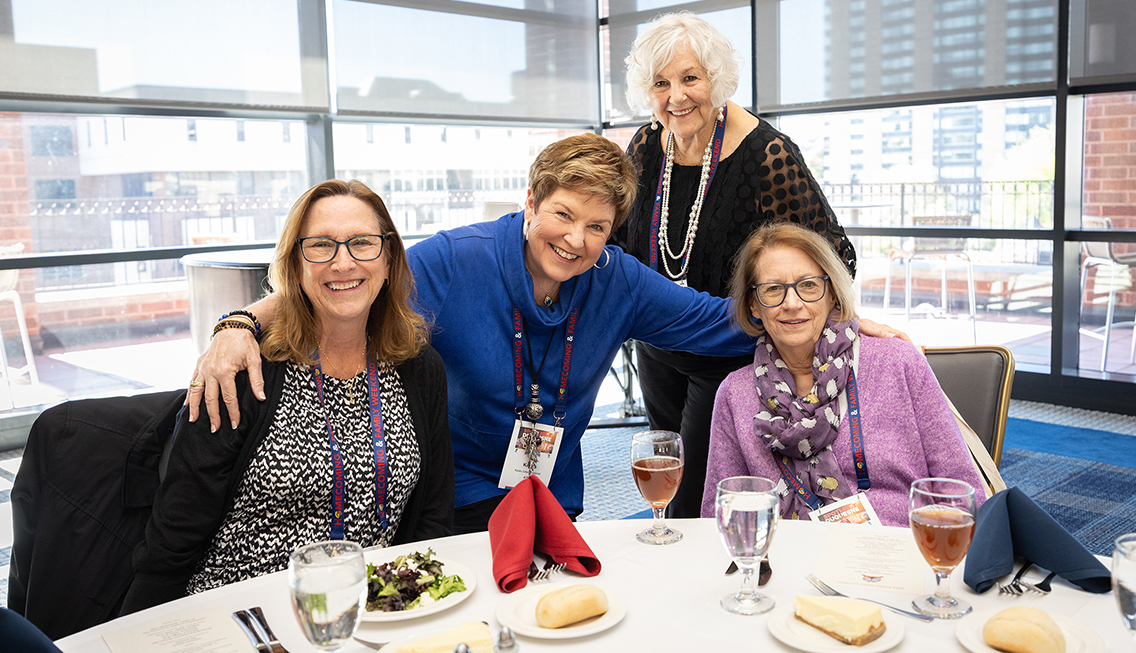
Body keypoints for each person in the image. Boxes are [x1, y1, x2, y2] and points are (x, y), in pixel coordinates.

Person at [188, 134, 767, 534]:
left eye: (597, 226)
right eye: (563, 214)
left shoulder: (619, 282)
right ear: (532, 202)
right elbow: (347, 286)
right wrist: (240, 321)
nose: (576, 240)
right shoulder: (455, 259)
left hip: (550, 501)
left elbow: (721, 322)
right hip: (456, 499)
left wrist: (835, 321)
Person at [122, 180, 453, 612]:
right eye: (320, 246)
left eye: (362, 243)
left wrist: (415, 611)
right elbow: (176, 530)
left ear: (388, 260)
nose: (343, 262)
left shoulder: (418, 367)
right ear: (295, 265)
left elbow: (432, 512)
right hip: (244, 615)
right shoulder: (244, 368)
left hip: (366, 613)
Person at [615, 12, 859, 518]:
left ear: (716, 79)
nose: (676, 96)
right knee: (664, 481)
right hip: (656, 348)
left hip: (728, 356)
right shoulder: (644, 145)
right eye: (660, 83)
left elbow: (832, 253)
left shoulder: (766, 154)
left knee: (701, 491)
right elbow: (619, 239)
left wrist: (836, 315)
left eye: (690, 78)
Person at [701, 223, 983, 526]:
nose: (792, 303)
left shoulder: (897, 363)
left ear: (833, 294)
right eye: (773, 289)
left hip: (901, 551)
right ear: (754, 305)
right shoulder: (735, 394)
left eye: (809, 285)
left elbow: (962, 492)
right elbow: (720, 515)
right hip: (789, 559)